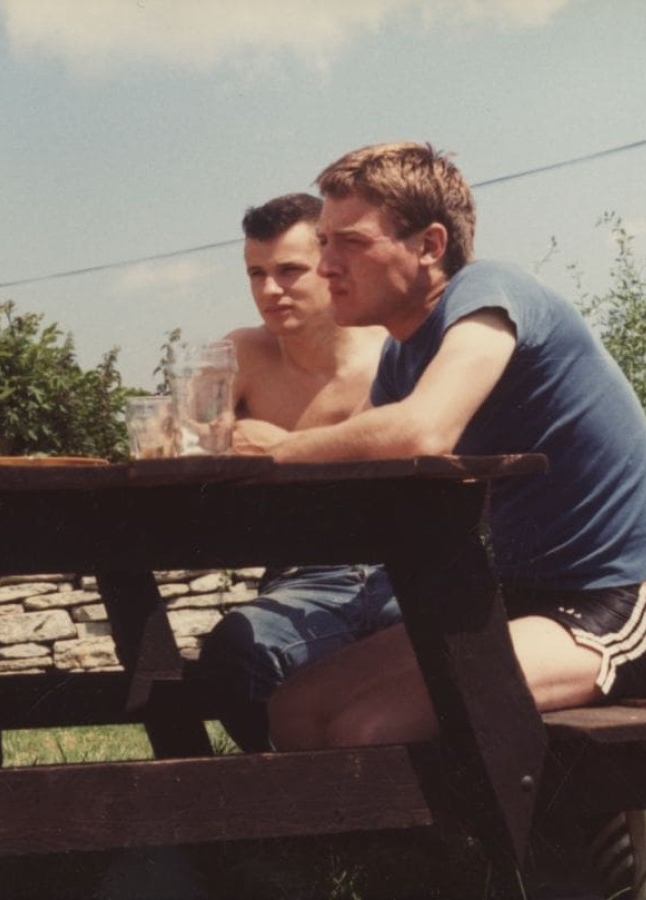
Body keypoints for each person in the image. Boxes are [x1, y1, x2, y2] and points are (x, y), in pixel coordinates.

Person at [234, 142, 646, 898]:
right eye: (323, 245)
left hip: (627, 601)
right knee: (299, 708)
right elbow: (368, 472)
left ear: (429, 245)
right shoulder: (405, 356)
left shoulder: (489, 296)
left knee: (368, 730)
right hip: (523, 601)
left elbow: (419, 432)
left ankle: (547, 863)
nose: (324, 268)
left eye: (349, 243)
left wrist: (282, 451)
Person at [195, 193, 402, 751]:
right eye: (255, 274)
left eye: (289, 271)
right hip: (304, 575)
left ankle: (428, 816)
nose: (269, 290)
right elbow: (179, 439)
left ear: (333, 264)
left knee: (450, 647)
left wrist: (286, 446)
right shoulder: (240, 355)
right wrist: (190, 429)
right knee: (235, 653)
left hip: (405, 565)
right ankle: (303, 812)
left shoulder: (396, 351)